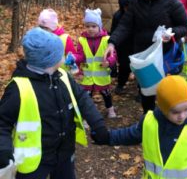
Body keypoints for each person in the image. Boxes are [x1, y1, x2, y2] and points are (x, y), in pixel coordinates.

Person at [0, 27, 108, 179]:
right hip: (34, 161)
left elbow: (82, 98)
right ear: (49, 61)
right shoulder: (18, 88)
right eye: (60, 55)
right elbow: (2, 122)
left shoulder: (63, 76)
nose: (64, 57)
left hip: (64, 152)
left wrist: (98, 124)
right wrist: (4, 152)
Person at [92, 75, 187, 179]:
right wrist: (108, 137)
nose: (182, 116)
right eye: (175, 112)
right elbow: (130, 134)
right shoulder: (149, 121)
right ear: (163, 108)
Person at [104, 0, 187, 114]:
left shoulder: (171, 2)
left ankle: (169, 120)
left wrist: (171, 34)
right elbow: (124, 25)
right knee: (147, 92)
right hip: (145, 57)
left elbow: (185, 26)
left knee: (168, 92)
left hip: (165, 56)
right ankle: (149, 119)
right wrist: (112, 43)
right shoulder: (135, 3)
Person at [68, 8, 117, 118]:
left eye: (93, 26)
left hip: (102, 75)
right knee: (86, 97)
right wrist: (74, 57)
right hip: (87, 75)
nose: (90, 29)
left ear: (99, 26)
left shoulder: (107, 40)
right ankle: (85, 117)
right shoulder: (82, 40)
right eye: (87, 26)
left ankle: (110, 110)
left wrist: (109, 62)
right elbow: (81, 56)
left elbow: (113, 56)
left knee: (106, 94)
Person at [110, 0, 136, 94]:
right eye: (125, 7)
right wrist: (115, 44)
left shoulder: (139, 14)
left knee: (139, 67)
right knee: (124, 66)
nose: (127, 9)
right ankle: (121, 84)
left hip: (136, 44)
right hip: (123, 46)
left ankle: (141, 89)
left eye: (129, 6)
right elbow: (114, 31)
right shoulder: (118, 16)